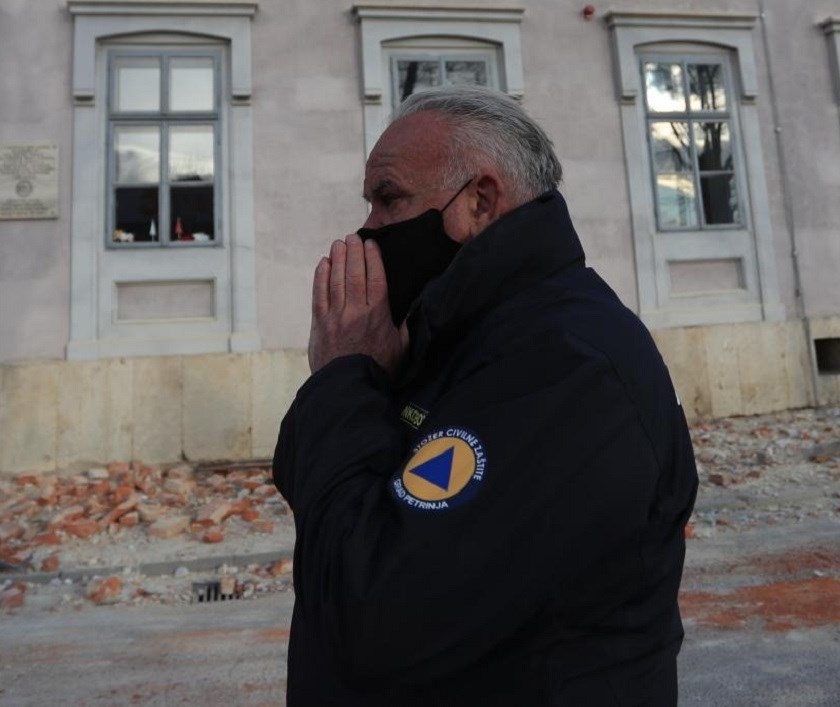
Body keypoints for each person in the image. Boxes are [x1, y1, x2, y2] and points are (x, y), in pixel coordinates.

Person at [272, 85, 698, 705]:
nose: (367, 229)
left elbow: (375, 617)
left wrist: (344, 380)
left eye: (389, 199)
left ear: (480, 201)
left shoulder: (564, 366)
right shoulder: (461, 337)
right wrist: (377, 383)